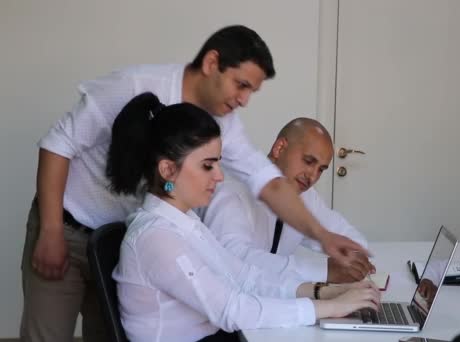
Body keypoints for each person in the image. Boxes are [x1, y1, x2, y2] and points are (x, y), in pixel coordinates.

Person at [20, 25, 367, 341]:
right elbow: (57, 145)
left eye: (253, 91)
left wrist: (323, 243)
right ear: (212, 63)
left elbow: (268, 183)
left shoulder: (215, 139)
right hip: (68, 224)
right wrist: (50, 230)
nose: (244, 99)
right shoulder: (135, 87)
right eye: (241, 84)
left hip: (123, 233)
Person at [108, 93, 381, 341]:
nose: (220, 175)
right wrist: (330, 307)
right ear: (168, 170)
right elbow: (232, 308)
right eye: (207, 166)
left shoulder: (184, 221)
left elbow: (244, 277)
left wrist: (322, 293)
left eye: (218, 162)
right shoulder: (157, 237)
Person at [203, 118, 375, 283]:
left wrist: (356, 258)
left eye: (321, 169)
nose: (312, 176)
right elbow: (232, 260)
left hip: (276, 300)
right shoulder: (232, 189)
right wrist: (323, 271)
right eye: (308, 161)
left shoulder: (305, 194)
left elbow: (337, 231)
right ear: (279, 148)